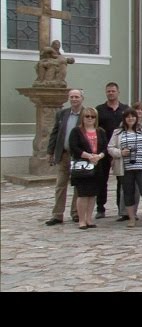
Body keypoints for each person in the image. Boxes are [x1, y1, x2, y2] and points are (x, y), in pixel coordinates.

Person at [107, 108, 142, 228]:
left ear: (137, 118)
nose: (130, 119)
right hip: (126, 167)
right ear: (124, 119)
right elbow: (110, 148)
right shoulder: (118, 132)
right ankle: (131, 218)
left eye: (133, 116)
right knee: (128, 192)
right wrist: (120, 152)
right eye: (128, 117)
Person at [45, 89, 83, 225]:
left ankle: (76, 212)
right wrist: (50, 152)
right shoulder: (62, 114)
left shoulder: (87, 115)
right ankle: (57, 215)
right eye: (72, 97)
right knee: (60, 185)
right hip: (64, 155)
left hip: (79, 156)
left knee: (78, 185)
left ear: (81, 99)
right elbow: (54, 134)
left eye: (77, 97)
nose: (74, 99)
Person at [68, 107, 108, 229]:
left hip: (97, 165)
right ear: (83, 118)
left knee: (92, 194)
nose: (90, 119)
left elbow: (105, 147)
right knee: (83, 194)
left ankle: (89, 219)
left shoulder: (100, 131)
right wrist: (89, 156)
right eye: (87, 116)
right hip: (82, 166)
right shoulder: (76, 131)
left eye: (93, 116)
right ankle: (81, 220)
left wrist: (100, 156)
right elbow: (74, 146)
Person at [95, 82, 129, 220]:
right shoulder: (100, 110)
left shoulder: (125, 109)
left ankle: (122, 209)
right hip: (103, 149)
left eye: (113, 91)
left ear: (118, 92)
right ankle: (100, 208)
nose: (111, 93)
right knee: (101, 180)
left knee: (122, 180)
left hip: (120, 150)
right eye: (108, 91)